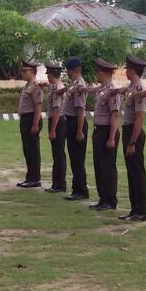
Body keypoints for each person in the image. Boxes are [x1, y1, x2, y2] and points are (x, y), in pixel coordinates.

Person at [80, 58, 120, 211]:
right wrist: (83, 89)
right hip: (98, 130)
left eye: (97, 72)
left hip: (107, 131)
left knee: (108, 167)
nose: (96, 74)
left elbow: (115, 115)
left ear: (103, 73)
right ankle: (103, 198)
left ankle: (110, 200)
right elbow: (91, 89)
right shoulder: (102, 89)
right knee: (99, 166)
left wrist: (111, 137)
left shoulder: (111, 91)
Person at [119, 55, 146, 221]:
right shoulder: (131, 87)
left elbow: (139, 118)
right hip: (128, 130)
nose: (125, 72)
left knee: (137, 173)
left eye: (127, 69)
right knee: (131, 172)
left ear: (132, 70)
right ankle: (134, 209)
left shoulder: (139, 89)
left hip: (134, 133)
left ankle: (141, 211)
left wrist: (132, 141)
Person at [61, 57, 90, 201]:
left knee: (78, 158)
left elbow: (80, 110)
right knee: (74, 158)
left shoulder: (79, 85)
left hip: (77, 123)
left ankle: (81, 190)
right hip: (71, 122)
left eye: (67, 70)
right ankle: (77, 188)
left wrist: (79, 131)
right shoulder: (74, 84)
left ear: (71, 70)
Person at [15, 60, 43, 188]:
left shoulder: (35, 86)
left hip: (32, 119)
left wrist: (35, 124)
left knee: (33, 150)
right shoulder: (27, 86)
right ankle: (30, 176)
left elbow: (38, 106)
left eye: (24, 71)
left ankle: (34, 178)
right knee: (27, 149)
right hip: (25, 119)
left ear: (32, 72)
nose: (22, 73)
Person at [43, 65, 67, 193]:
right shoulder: (55, 87)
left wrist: (53, 130)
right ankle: (56, 182)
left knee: (59, 154)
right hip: (56, 121)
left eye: (48, 74)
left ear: (52, 75)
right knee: (56, 154)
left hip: (58, 122)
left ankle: (60, 184)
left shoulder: (58, 89)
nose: (47, 76)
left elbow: (57, 111)